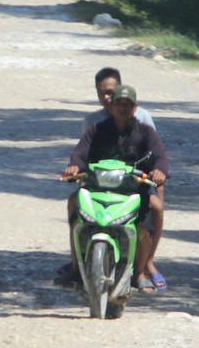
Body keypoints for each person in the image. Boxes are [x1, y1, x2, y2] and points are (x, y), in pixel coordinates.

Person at [58, 84, 168, 292]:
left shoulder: (145, 132)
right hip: (98, 187)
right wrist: (74, 166)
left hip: (134, 190)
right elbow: (80, 153)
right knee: (74, 201)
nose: (123, 108)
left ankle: (141, 271)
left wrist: (159, 171)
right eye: (119, 104)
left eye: (127, 104)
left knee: (152, 211)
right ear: (111, 106)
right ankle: (75, 267)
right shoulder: (97, 130)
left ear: (135, 108)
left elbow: (160, 156)